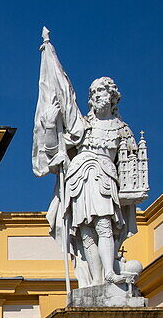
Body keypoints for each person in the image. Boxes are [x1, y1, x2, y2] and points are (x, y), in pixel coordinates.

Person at [44, 76, 138, 287]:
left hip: (104, 178)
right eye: (94, 92)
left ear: (112, 97)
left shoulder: (122, 130)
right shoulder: (81, 126)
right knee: (85, 232)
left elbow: (132, 163)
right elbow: (53, 151)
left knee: (104, 225)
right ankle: (96, 280)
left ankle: (109, 273)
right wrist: (51, 125)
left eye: (102, 91)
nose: (97, 96)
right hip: (79, 180)